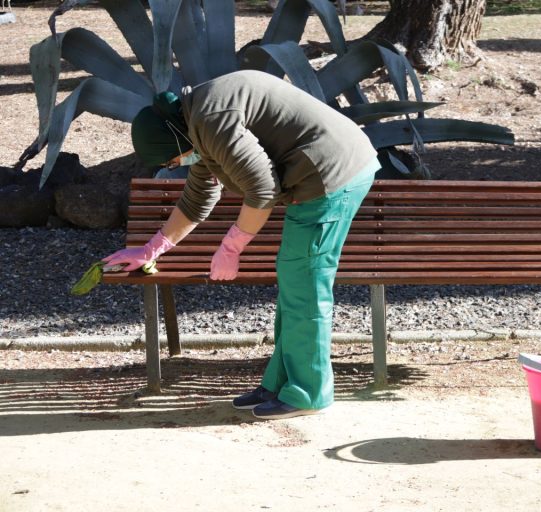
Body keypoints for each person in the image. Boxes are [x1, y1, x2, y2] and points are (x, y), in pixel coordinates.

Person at [102, 70, 380, 420]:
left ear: (174, 141)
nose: (177, 166)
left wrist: (231, 247)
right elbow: (199, 195)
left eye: (172, 161)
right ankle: (280, 384)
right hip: (317, 174)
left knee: (305, 283)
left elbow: (263, 189)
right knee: (295, 282)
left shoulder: (211, 119)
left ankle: (309, 393)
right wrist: (151, 249)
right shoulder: (197, 120)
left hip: (333, 173)